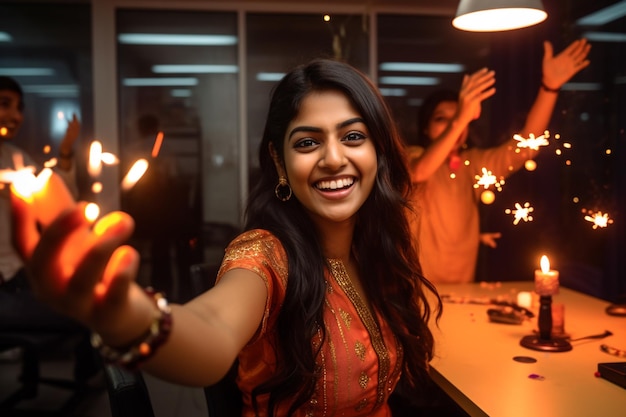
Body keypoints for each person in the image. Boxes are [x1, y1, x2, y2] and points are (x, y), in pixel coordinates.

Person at [11, 59, 443, 416]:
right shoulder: (265, 254)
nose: (333, 158)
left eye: (352, 137)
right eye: (307, 143)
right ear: (279, 161)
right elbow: (212, 327)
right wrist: (129, 318)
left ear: (378, 151)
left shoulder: (377, 249)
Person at [407, 38, 591, 284]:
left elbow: (526, 145)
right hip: (414, 296)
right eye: (442, 119)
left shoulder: (471, 164)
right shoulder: (413, 156)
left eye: (458, 119)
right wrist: (461, 118)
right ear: (426, 129)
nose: (453, 125)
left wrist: (549, 87)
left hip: (462, 291)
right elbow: (418, 173)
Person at [0, 75, 100, 381]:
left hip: (20, 275)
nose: (16, 116)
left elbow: (54, 193)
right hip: (6, 285)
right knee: (88, 309)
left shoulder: (13, 156)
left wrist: (66, 150)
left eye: (19, 108)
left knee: (92, 294)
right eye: (5, 105)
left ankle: (84, 377)